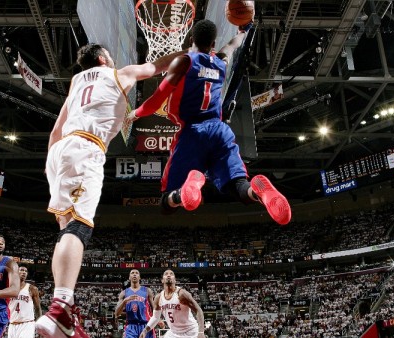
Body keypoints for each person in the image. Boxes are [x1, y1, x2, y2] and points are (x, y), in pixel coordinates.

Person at [36, 42, 186, 338]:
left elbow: (55, 132)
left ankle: (63, 312)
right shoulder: (119, 73)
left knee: (67, 230)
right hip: (86, 147)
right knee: (78, 228)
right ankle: (59, 308)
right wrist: (189, 54)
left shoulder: (76, 82)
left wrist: (52, 168)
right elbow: (159, 67)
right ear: (104, 58)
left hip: (59, 151)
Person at [128, 19, 291, 226]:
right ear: (213, 44)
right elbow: (233, 45)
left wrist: (136, 113)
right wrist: (245, 30)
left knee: (165, 204)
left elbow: (156, 101)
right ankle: (256, 191)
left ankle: (183, 193)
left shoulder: (184, 62)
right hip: (220, 131)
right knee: (238, 186)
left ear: (190, 39)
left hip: (192, 133)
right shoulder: (220, 61)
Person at [139, 270, 205, 338]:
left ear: (175, 280)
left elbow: (198, 310)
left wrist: (201, 332)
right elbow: (155, 317)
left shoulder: (182, 294)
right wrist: (145, 330)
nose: (168, 275)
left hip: (191, 331)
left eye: (171, 274)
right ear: (162, 280)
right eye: (166, 274)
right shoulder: (158, 298)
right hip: (174, 332)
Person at [115, 269, 163, 338]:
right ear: (129, 277)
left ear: (139, 277)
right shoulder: (123, 293)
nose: (134, 274)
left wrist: (158, 319)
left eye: (136, 273)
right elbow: (117, 313)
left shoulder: (147, 291)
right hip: (131, 326)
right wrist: (124, 301)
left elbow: (154, 308)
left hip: (146, 325)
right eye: (132, 273)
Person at [7, 265, 42, 338]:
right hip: (12, 324)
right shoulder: (9, 288)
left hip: (27, 324)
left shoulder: (32, 288)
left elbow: (38, 308)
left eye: (26, 271)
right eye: (22, 270)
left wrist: (40, 325)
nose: (24, 272)